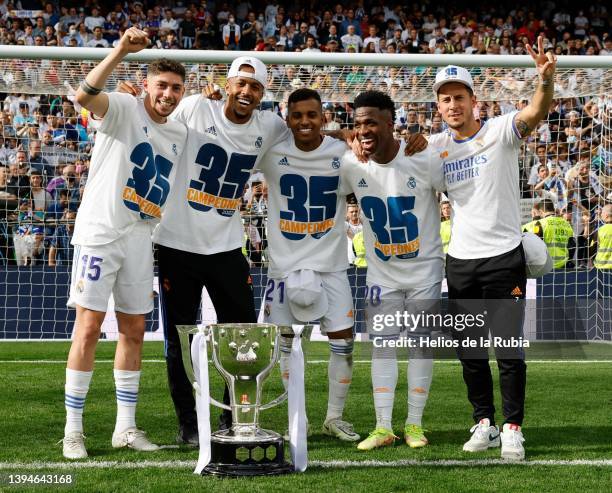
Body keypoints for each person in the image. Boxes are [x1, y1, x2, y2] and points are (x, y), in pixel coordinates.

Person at [60, 27, 188, 460]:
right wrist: (120, 51)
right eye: (161, 86)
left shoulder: (179, 133)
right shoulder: (123, 106)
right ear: (146, 85)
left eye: (175, 88)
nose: (167, 94)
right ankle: (73, 430)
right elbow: (83, 96)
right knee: (90, 327)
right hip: (100, 231)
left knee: (133, 330)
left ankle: (125, 428)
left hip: (140, 236)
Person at [150, 56, 289, 446]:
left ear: (263, 94)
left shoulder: (271, 126)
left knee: (243, 339)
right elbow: (153, 116)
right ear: (227, 84)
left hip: (228, 246)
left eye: (255, 87)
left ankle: (234, 418)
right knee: (180, 342)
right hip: (177, 242)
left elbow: (306, 137)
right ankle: (190, 424)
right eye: (240, 83)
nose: (246, 92)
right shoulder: (195, 106)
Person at [429, 36, 557, 460]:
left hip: (504, 257)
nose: (453, 105)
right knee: (469, 352)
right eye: (445, 99)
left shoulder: (502, 131)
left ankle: (513, 426)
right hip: (460, 261)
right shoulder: (434, 148)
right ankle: (483, 421)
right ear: (438, 106)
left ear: (473, 101)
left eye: (459, 97)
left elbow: (536, 112)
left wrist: (545, 80)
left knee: (508, 351)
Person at [339, 90, 445, 451]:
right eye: (358, 124)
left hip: (425, 272)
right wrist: (344, 136)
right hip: (380, 275)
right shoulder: (351, 164)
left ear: (391, 123)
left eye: (371, 122)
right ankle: (383, 426)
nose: (363, 130)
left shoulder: (423, 156)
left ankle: (414, 424)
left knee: (420, 346)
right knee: (381, 348)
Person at [258, 88, 359, 442]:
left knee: (343, 341)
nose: (305, 121)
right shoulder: (271, 152)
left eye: (311, 115)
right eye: (297, 115)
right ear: (287, 120)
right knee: (283, 344)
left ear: (324, 118)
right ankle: (293, 418)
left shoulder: (342, 154)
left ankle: (334, 417)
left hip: (331, 266)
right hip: (283, 269)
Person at [532, 199, 574, 268]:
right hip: (564, 265)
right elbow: (572, 244)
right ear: (553, 209)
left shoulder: (539, 223)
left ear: (541, 211)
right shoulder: (566, 223)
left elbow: (536, 245)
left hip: (546, 266)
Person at [594, 204, 612, 269]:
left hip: (600, 266)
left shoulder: (599, 230)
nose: (601, 215)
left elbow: (593, 248)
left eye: (602, 213)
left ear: (606, 215)